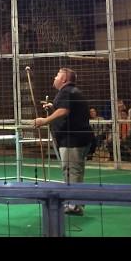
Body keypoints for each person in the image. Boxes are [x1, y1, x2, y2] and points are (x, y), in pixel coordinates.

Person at [34, 67, 94, 216]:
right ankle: (77, 203)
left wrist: (45, 120)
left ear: (64, 79)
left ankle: (74, 205)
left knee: (71, 171)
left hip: (72, 140)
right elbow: (66, 109)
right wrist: (53, 107)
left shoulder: (66, 91)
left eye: (57, 75)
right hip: (81, 139)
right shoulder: (73, 92)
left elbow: (64, 111)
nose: (54, 78)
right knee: (76, 172)